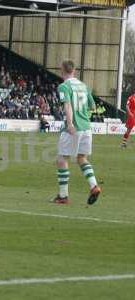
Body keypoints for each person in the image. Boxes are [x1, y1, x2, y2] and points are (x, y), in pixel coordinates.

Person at [54, 60, 101, 205]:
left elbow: (67, 105)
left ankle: (63, 196)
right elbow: (92, 106)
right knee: (81, 158)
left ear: (62, 71)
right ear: (74, 70)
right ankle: (94, 186)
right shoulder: (83, 86)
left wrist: (70, 123)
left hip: (74, 128)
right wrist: (82, 115)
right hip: (87, 127)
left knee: (62, 159)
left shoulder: (63, 87)